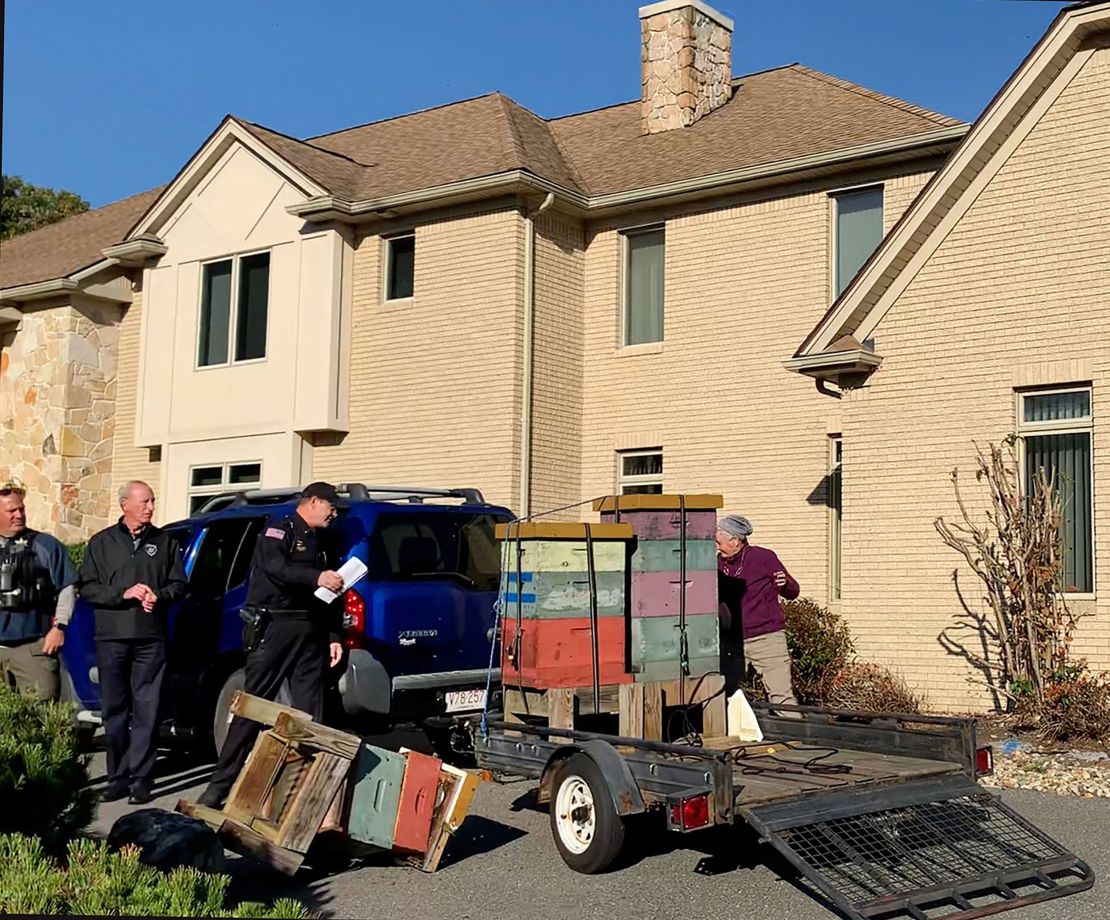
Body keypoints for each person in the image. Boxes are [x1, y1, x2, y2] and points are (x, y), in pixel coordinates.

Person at [197, 482, 346, 808]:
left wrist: (335, 636)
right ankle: (218, 788)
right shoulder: (279, 529)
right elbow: (275, 569)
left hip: (311, 631)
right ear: (314, 501)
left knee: (311, 714)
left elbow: (335, 592)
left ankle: (302, 793)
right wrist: (316, 578)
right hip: (275, 625)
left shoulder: (324, 539)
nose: (335, 513)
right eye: (331, 506)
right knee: (253, 706)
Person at [80, 481, 186, 804]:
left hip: (150, 639)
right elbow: (87, 588)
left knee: (148, 709)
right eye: (145, 501)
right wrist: (122, 594)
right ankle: (117, 777)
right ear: (125, 504)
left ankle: (141, 779)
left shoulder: (164, 541)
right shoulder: (101, 543)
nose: (151, 507)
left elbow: (180, 584)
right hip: (111, 637)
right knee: (114, 709)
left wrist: (161, 594)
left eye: (153, 501)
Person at [0, 479, 79, 700]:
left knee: (40, 713)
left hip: (33, 648)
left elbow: (67, 588)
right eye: (11, 510)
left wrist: (60, 628)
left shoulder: (45, 545)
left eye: (21, 509)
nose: (18, 514)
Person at [716, 514, 800, 709]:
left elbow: (793, 591)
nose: (717, 547)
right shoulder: (718, 563)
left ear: (735, 541)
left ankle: (800, 738)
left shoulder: (764, 558)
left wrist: (785, 583)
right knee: (727, 697)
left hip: (767, 638)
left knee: (781, 697)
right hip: (732, 642)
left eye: (719, 542)